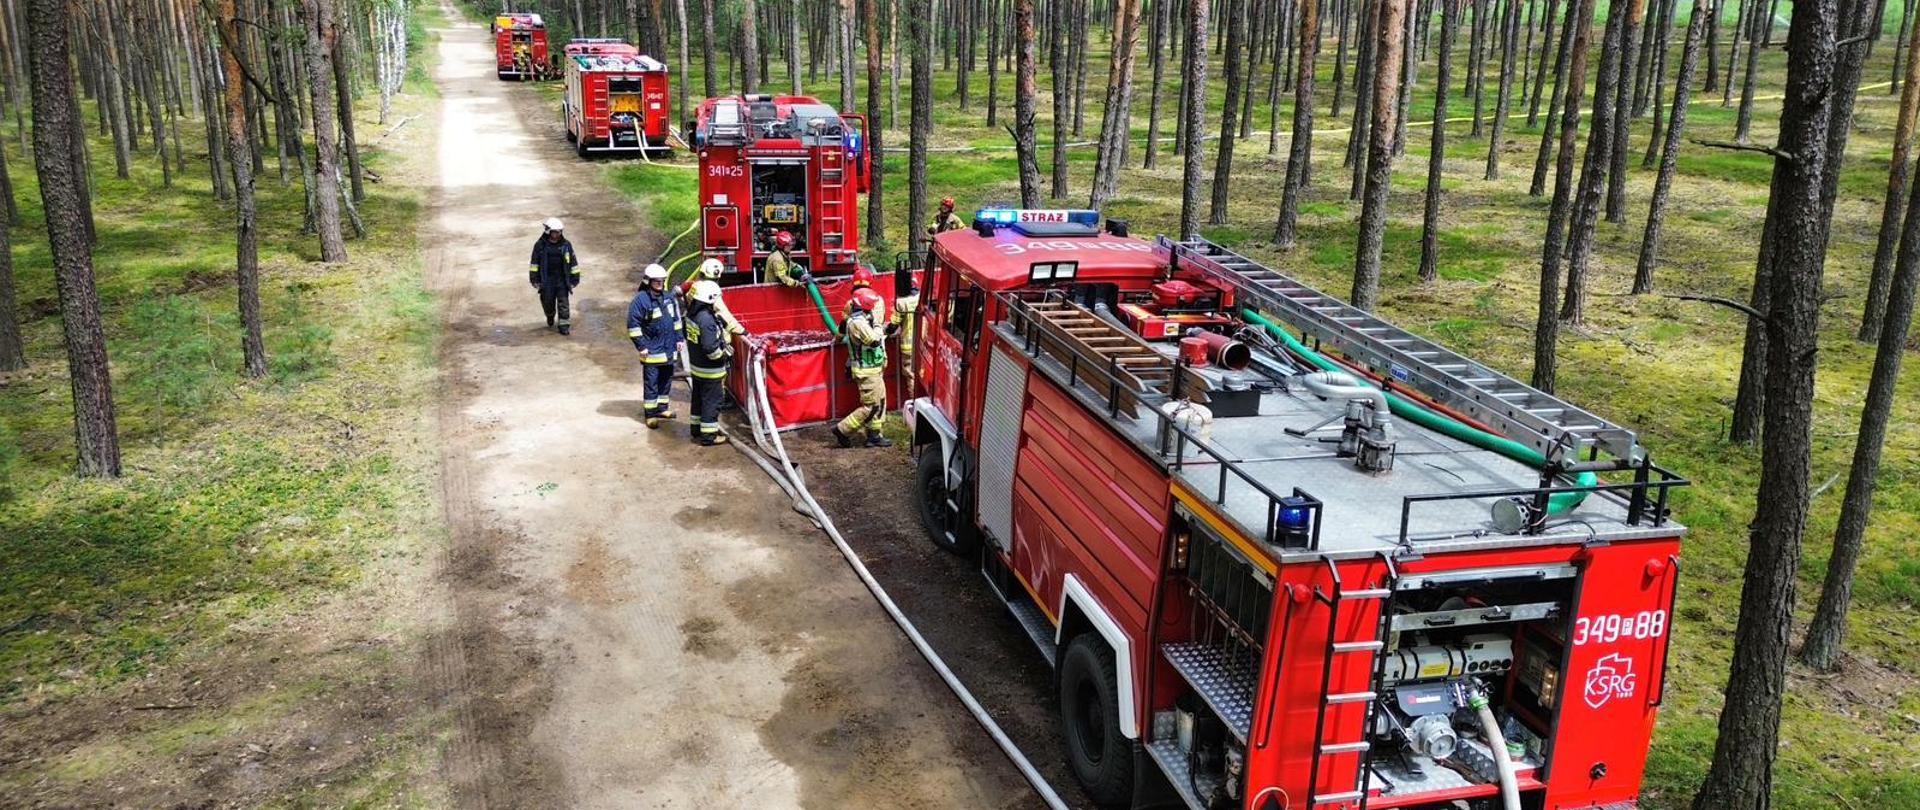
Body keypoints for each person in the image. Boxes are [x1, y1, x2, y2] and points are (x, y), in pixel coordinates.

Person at [831, 284, 897, 449]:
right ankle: (842, 430)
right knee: (871, 406)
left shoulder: (862, 319)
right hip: (866, 372)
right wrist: (878, 326)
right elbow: (874, 341)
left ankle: (874, 435)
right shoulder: (857, 323)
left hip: (873, 369)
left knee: (880, 401)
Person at [627, 263, 682, 428]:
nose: (660, 283)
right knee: (651, 383)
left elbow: (677, 321)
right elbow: (633, 326)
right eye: (656, 281)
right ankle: (650, 414)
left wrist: (679, 339)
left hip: (669, 349)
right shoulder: (640, 301)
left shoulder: (669, 298)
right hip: (651, 351)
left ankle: (661, 409)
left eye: (662, 280)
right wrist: (641, 346)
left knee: (666, 381)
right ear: (648, 281)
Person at [683, 282, 733, 446]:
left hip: (697, 368)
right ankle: (709, 436)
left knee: (698, 400)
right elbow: (711, 349)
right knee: (712, 402)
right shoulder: (707, 320)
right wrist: (724, 355)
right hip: (711, 371)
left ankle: (696, 429)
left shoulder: (691, 315)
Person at [529, 217, 580, 334]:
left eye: (559, 232)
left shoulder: (566, 245)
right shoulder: (540, 246)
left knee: (564, 304)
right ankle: (550, 315)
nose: (557, 234)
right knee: (548, 303)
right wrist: (534, 279)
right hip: (546, 281)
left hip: (562, 280)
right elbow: (534, 264)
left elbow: (573, 262)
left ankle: (564, 327)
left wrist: (574, 279)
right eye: (554, 232)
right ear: (548, 231)